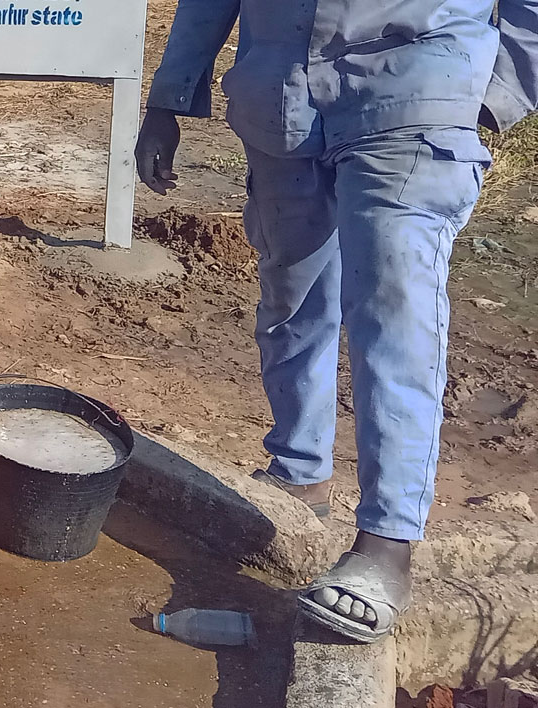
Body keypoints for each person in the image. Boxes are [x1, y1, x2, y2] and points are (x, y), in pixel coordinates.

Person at [137, 0, 535, 642]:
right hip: (281, 98)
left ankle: (386, 544)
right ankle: (299, 476)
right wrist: (168, 99)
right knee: (291, 298)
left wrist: (499, 88)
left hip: (413, 85)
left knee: (394, 310)